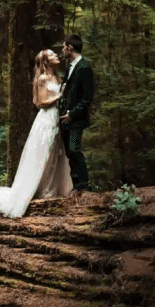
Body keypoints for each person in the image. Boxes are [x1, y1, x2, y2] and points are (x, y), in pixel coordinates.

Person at [0, 49, 73, 218]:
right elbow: (41, 102)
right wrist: (60, 96)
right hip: (47, 119)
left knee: (56, 154)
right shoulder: (42, 78)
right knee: (44, 152)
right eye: (52, 54)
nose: (56, 56)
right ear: (45, 60)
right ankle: (40, 189)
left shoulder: (58, 78)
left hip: (58, 118)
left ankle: (52, 188)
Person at [58, 34, 95, 192]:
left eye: (63, 46)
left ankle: (84, 185)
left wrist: (72, 114)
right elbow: (66, 90)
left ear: (70, 47)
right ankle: (75, 185)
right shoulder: (69, 66)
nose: (62, 49)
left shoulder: (84, 66)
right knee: (68, 152)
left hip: (76, 118)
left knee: (74, 150)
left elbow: (87, 97)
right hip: (65, 118)